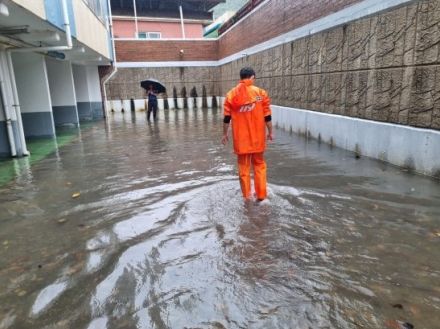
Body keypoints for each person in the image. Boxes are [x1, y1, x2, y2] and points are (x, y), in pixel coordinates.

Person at [222, 67, 273, 202]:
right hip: (258, 139)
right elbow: (267, 115)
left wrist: (224, 134)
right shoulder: (261, 93)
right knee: (259, 166)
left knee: (244, 169)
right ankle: (261, 196)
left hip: (241, 140)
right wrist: (270, 132)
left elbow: (227, 118)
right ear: (251, 77)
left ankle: (247, 197)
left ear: (241, 77)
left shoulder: (231, 95)